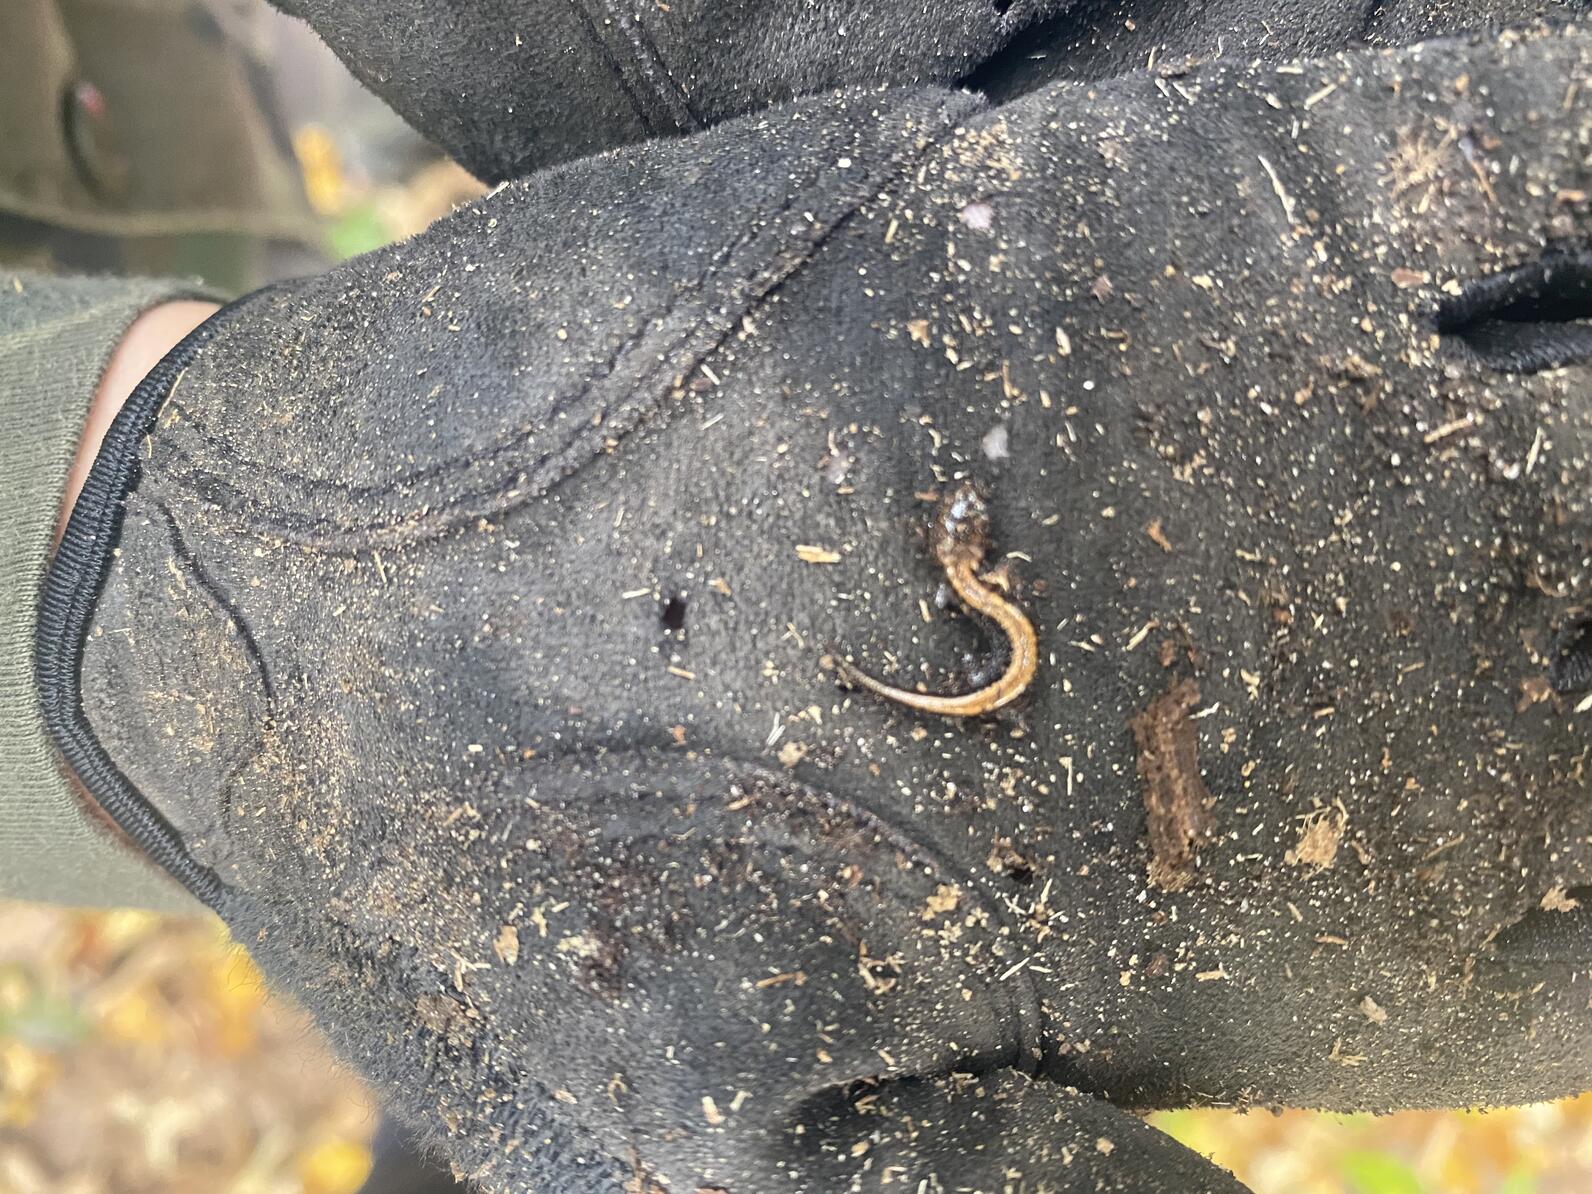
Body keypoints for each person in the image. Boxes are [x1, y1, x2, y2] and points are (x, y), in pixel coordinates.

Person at [5, 0, 1590, 1189]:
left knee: (611, 998)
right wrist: (127, 550)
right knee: (582, 963)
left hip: (132, 155)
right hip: (164, 418)